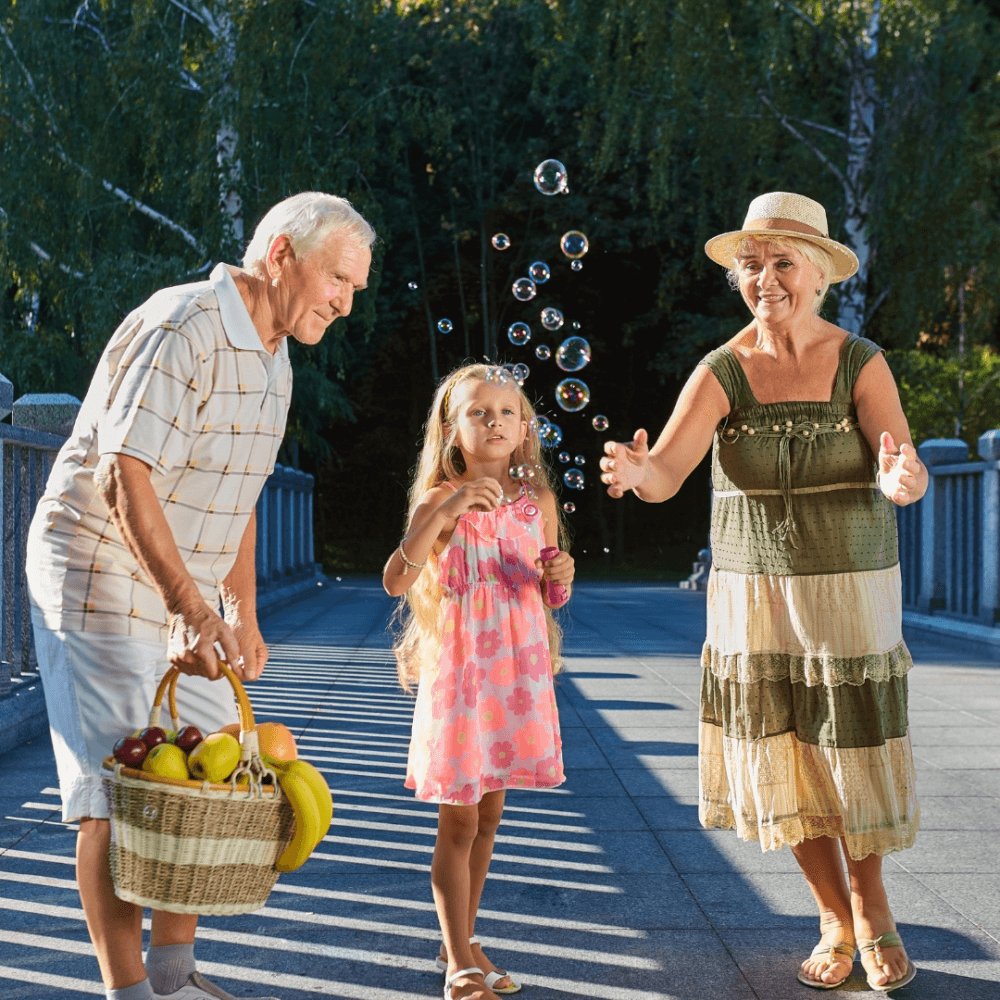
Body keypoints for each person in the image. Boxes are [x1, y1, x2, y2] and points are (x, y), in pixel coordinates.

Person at [26, 192, 374, 1000]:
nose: (345, 305)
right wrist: (191, 608)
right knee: (116, 793)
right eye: (337, 280)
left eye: (355, 289)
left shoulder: (277, 358)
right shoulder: (184, 325)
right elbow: (123, 472)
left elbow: (241, 495)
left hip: (184, 586)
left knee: (209, 773)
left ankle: (173, 978)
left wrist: (240, 611)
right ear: (281, 255)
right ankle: (129, 992)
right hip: (99, 567)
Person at [600, 192, 924, 993]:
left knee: (851, 748)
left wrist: (902, 478)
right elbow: (667, 472)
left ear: (817, 274)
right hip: (756, 597)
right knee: (787, 752)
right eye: (752, 264)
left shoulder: (860, 361)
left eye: (783, 262)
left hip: (849, 593)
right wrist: (638, 472)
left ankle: (873, 908)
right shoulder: (723, 369)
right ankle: (832, 917)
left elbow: (902, 466)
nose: (767, 279)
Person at [383, 363, 575, 1000]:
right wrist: (450, 508)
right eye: (478, 411)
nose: (494, 421)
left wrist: (561, 576)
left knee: (489, 817)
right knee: (458, 824)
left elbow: (547, 592)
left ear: (525, 429)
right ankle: (460, 965)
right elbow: (395, 580)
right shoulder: (440, 500)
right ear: (451, 430)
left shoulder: (538, 502)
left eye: (506, 411)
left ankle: (459, 939)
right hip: (464, 680)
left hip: (514, 679)